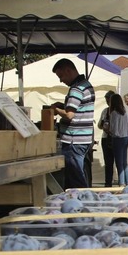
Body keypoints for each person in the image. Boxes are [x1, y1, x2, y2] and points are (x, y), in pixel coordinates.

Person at [51, 58, 95, 189]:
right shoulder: (86, 85)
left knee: (76, 180)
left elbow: (70, 115)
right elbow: (78, 108)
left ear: (68, 70)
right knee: (76, 177)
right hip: (83, 138)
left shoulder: (76, 89)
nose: (61, 80)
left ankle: (83, 204)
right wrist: (63, 105)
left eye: (61, 76)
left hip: (73, 140)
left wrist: (56, 110)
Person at [108, 93, 128, 186]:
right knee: (124, 162)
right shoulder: (125, 112)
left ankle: (121, 182)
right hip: (125, 137)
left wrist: (109, 130)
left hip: (117, 138)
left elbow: (113, 129)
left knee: (119, 163)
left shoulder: (114, 113)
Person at [97, 90, 116, 186]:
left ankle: (120, 181)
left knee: (117, 162)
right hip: (105, 138)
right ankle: (108, 182)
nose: (107, 102)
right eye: (106, 100)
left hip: (115, 138)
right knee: (108, 163)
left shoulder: (117, 112)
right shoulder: (105, 111)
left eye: (108, 100)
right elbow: (99, 125)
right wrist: (103, 125)